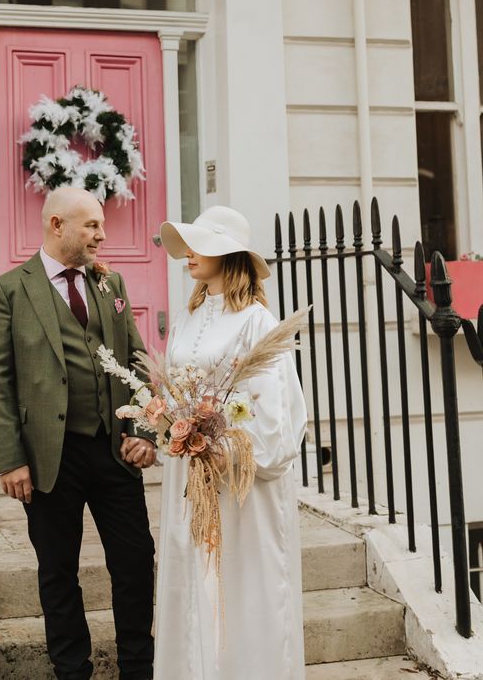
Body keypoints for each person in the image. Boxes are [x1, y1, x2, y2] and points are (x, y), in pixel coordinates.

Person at [0, 186, 157, 680]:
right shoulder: (9, 290)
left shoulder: (111, 284)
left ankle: (138, 669)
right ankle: (71, 671)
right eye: (92, 226)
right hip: (47, 457)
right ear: (57, 226)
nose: (103, 234)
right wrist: (9, 458)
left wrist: (145, 430)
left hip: (115, 450)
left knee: (136, 562)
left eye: (100, 224)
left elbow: (138, 363)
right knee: (58, 572)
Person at [153, 206, 308, 680]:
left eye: (200, 244)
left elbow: (276, 412)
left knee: (240, 586)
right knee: (192, 575)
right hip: (189, 475)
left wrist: (223, 450)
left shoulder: (257, 321)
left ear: (228, 254)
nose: (188, 254)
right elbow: (174, 384)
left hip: (239, 481)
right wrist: (170, 422)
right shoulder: (189, 313)